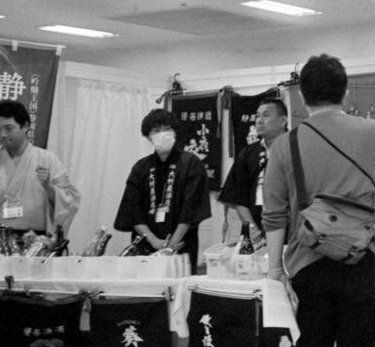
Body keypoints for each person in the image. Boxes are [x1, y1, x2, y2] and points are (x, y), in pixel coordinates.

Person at [263, 54, 375, 347]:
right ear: (345, 90)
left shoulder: (286, 144)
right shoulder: (370, 131)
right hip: (360, 256)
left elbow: (274, 215)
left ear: (301, 96)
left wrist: (273, 270)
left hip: (307, 260)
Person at [0, 100, 80, 239]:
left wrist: (49, 187)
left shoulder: (48, 160)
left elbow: (71, 200)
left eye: (8, 128)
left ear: (25, 126)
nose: (3, 135)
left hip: (38, 242)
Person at [113, 109, 212, 265]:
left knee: (178, 286)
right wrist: (153, 241)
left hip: (181, 245)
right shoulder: (141, 168)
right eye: (156, 131)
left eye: (167, 129)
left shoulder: (191, 163)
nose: (163, 134)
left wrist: (170, 245)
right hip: (145, 245)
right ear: (148, 136)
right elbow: (133, 210)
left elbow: (191, 209)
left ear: (175, 132)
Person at [217, 96, 287, 235]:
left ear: (283, 121)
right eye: (257, 116)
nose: (259, 121)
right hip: (256, 230)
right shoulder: (248, 153)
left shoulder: (296, 149)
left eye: (266, 116)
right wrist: (252, 228)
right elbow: (239, 196)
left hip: (291, 231)